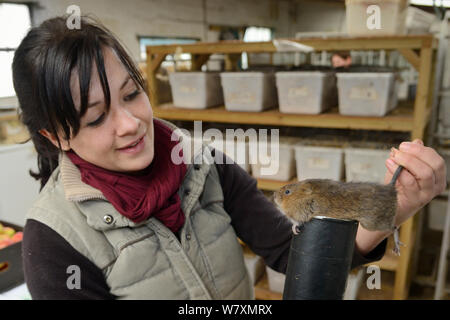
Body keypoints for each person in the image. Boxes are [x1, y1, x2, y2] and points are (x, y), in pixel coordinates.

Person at [13, 16, 447, 300]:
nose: (129, 123)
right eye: (96, 117)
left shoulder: (206, 166)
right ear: (56, 136)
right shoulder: (53, 241)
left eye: (132, 94)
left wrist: (391, 209)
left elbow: (293, 254)